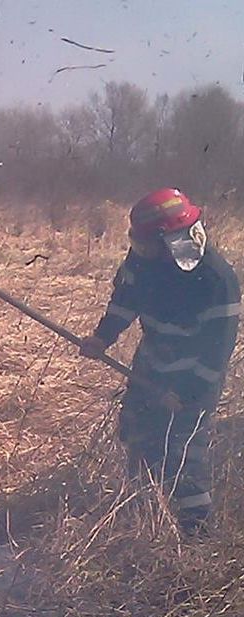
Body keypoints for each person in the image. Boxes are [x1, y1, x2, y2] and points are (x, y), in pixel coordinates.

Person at [80, 188, 240, 536]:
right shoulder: (145, 261)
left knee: (182, 456)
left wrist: (186, 395)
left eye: (147, 244)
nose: (140, 252)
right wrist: (102, 337)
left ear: (173, 241)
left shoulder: (216, 281)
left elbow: (217, 350)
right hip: (150, 368)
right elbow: (124, 300)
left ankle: (195, 538)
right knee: (138, 436)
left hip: (194, 383)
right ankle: (142, 515)